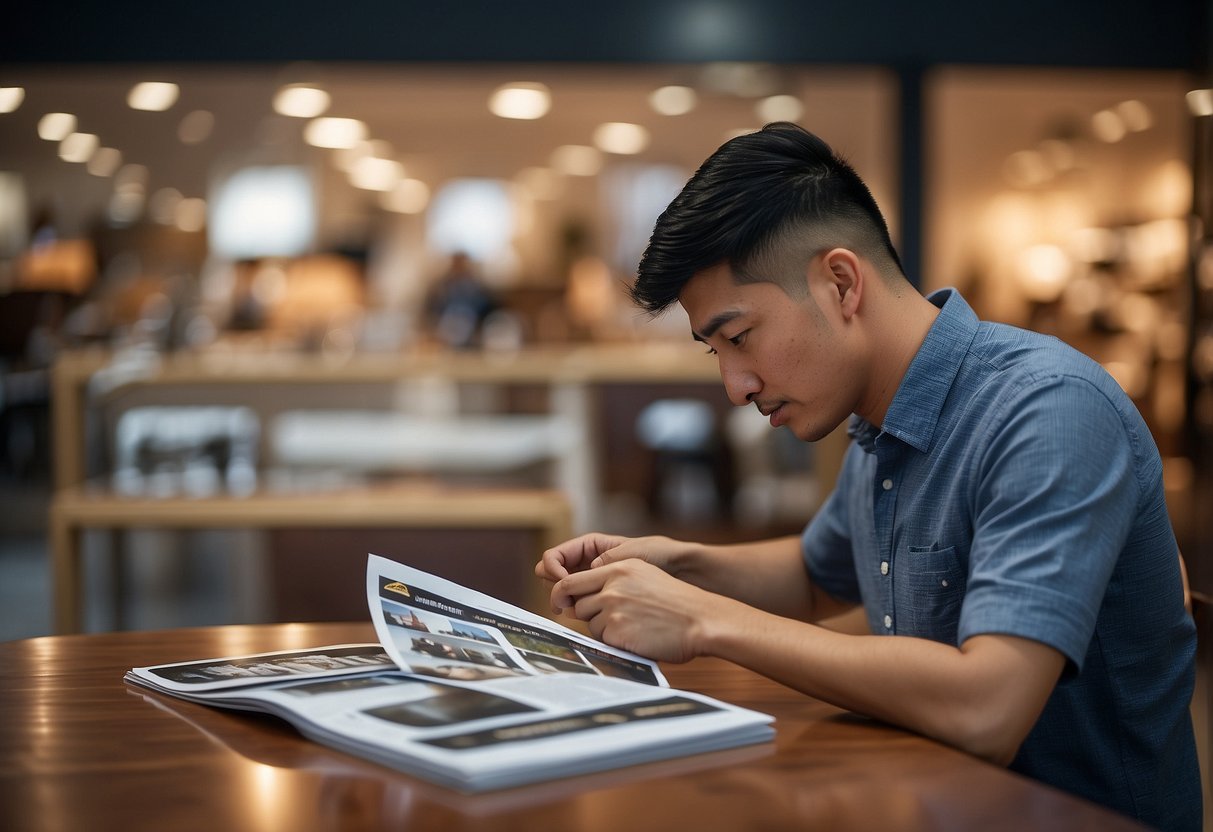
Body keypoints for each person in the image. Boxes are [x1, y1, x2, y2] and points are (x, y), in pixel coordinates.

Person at [535, 122, 1200, 830]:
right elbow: (819, 577)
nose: (734, 384)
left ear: (840, 283)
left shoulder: (1048, 412)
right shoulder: (880, 415)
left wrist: (702, 620)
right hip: (930, 799)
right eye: (715, 352)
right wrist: (675, 566)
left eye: (738, 337)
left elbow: (988, 706)